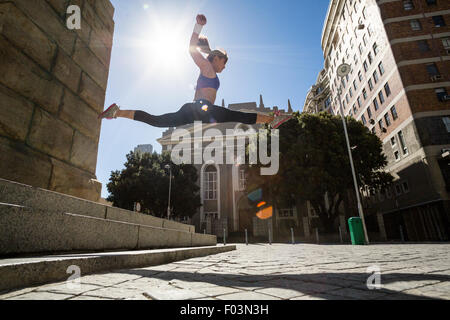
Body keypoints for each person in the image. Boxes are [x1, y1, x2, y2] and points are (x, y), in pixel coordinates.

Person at [98, 14, 292, 129]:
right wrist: (198, 26)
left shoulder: (208, 69)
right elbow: (191, 47)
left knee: (157, 121)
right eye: (224, 63)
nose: (224, 67)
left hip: (194, 112)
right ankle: (271, 120)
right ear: (216, 59)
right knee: (237, 115)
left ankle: (117, 112)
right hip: (201, 109)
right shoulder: (207, 67)